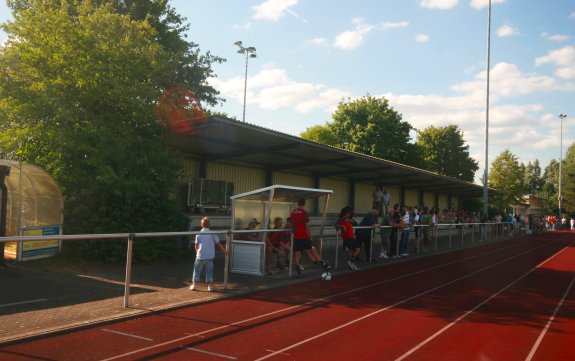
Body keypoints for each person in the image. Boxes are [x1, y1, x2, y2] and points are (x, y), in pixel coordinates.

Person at [290, 198, 332, 275]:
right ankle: (324, 264)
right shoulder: (304, 212)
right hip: (304, 235)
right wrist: (310, 237)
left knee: (297, 252)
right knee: (313, 249)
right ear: (304, 204)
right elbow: (307, 226)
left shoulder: (293, 212)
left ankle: (298, 269)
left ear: (298, 203)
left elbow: (292, 223)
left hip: (296, 236)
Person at [190, 217, 228, 292]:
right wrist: (225, 251)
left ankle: (194, 284)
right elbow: (218, 243)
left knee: (197, 270)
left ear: (201, 224)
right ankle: (210, 286)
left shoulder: (198, 234)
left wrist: (197, 253)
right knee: (209, 271)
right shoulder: (212, 233)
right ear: (209, 224)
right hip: (209, 256)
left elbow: (196, 246)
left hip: (200, 255)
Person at [336, 206, 360, 270]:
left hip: (351, 237)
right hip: (347, 238)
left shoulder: (348, 219)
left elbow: (356, 224)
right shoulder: (342, 218)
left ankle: (351, 262)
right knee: (350, 251)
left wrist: (352, 222)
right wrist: (342, 226)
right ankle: (351, 264)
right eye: (349, 213)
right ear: (346, 213)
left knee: (358, 250)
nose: (350, 214)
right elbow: (336, 225)